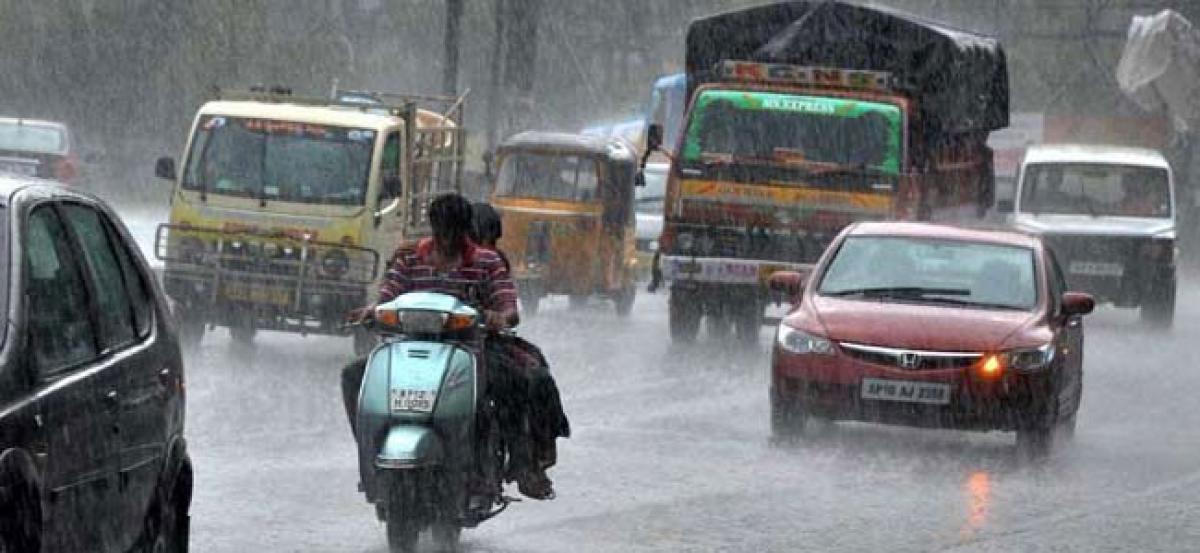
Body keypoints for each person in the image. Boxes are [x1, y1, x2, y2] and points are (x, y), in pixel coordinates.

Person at [340, 193, 558, 500]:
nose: (447, 239)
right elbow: (388, 295)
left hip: (469, 352)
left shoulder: (487, 262)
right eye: (441, 230)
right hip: (408, 349)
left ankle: (512, 466)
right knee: (353, 377)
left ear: (465, 229)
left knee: (506, 387)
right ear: (433, 227)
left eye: (454, 231)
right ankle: (371, 455)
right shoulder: (410, 258)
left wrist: (500, 316)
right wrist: (371, 310)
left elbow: (508, 306)